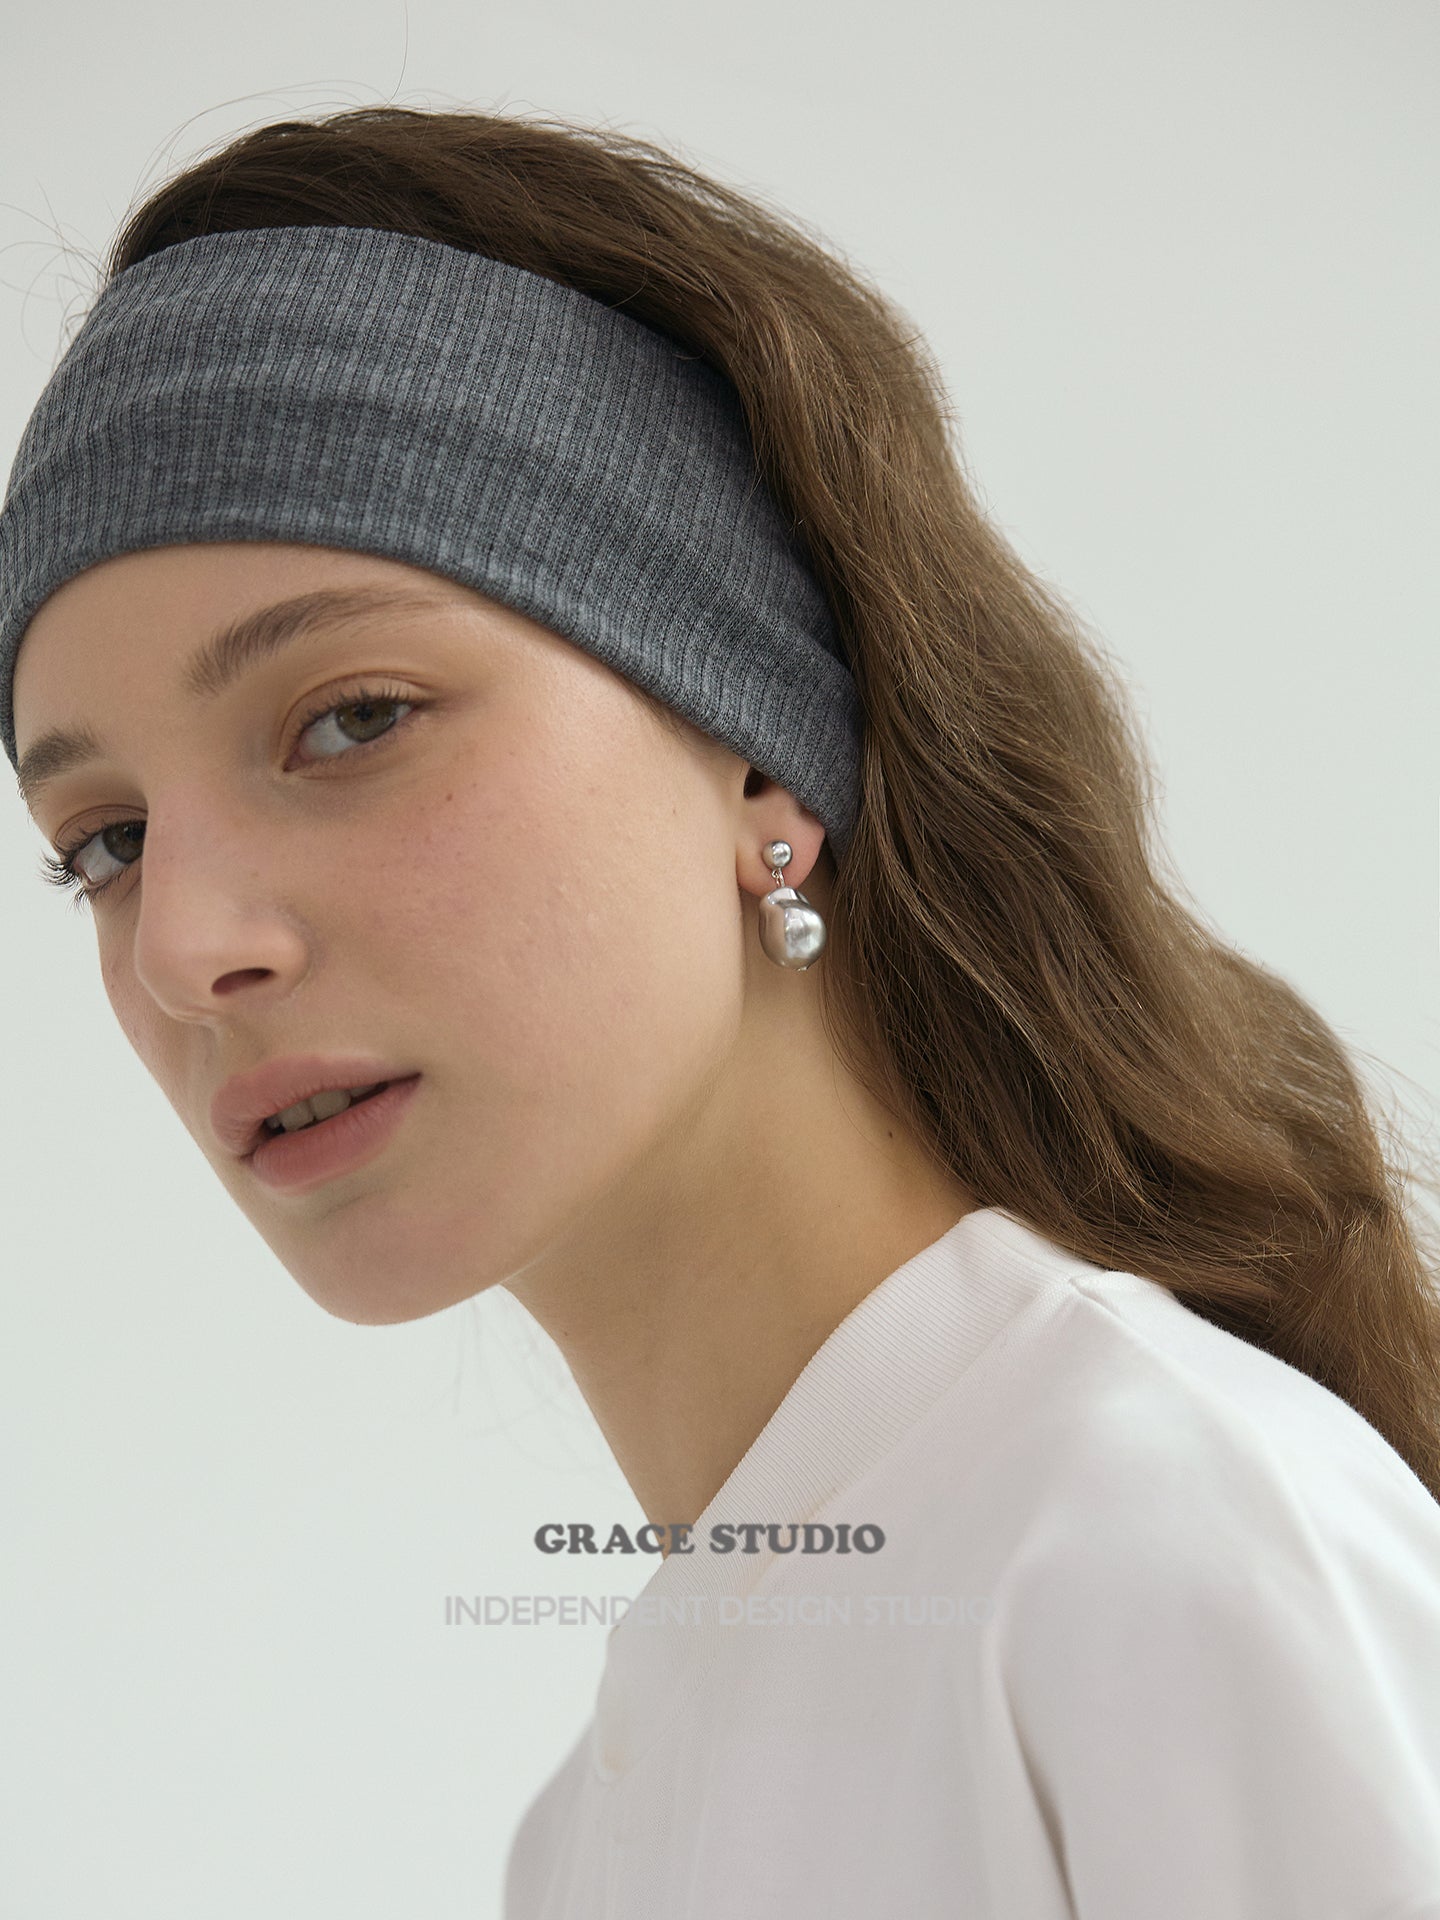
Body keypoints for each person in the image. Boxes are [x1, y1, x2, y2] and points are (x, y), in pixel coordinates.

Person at [3, 106, 1439, 1919]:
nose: (184, 946)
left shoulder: (1162, 1544)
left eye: (352, 718)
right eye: (106, 843)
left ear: (759, 754)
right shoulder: (589, 1835)